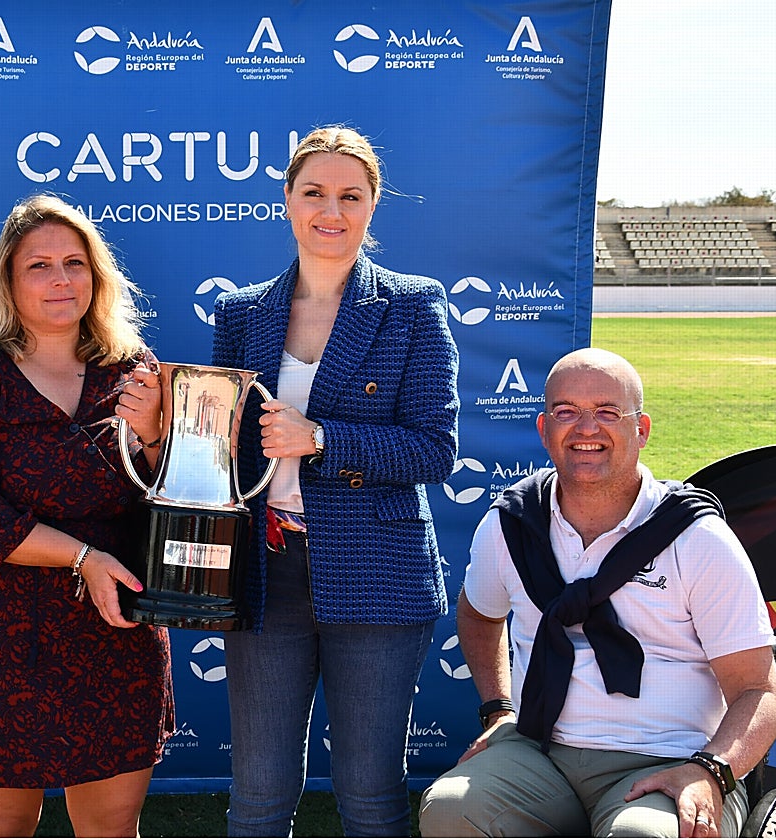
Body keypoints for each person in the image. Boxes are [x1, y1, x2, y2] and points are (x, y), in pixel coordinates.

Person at [419, 348, 776, 838]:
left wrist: (711, 770)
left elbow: (759, 692)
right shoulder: (512, 524)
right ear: (544, 429)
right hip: (540, 752)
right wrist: (498, 709)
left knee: (642, 836)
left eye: (608, 412)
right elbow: (479, 615)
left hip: (671, 757)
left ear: (642, 429)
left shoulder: (696, 537)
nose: (586, 428)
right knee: (450, 809)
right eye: (566, 412)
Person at [210, 125, 460, 836]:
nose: (331, 210)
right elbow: (224, 448)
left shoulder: (412, 304)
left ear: (373, 205)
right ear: (287, 200)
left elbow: (434, 450)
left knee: (370, 793)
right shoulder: (241, 312)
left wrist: (320, 440)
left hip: (378, 572)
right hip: (267, 570)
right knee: (258, 793)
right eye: (314, 192)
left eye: (351, 196)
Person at [0, 194, 175, 838]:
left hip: (113, 629)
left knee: (113, 827)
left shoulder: (134, 369)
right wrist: (83, 557)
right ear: (8, 280)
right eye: (39, 265)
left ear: (97, 275)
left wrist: (154, 435)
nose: (61, 279)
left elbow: (170, 496)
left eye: (75, 263)